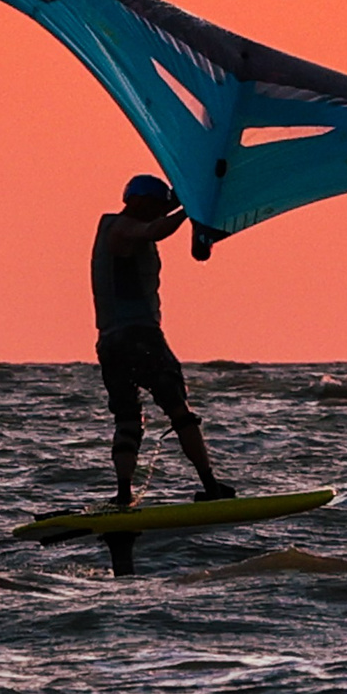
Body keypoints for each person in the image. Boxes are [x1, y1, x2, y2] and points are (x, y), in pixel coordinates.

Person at [93, 174, 235, 509]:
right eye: (156, 205)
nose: (160, 211)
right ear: (139, 201)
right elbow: (153, 229)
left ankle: (124, 495)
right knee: (178, 410)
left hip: (110, 343)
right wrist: (188, 208)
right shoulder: (121, 227)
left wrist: (194, 201)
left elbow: (160, 220)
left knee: (128, 419)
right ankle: (210, 486)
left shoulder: (126, 224)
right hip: (138, 337)